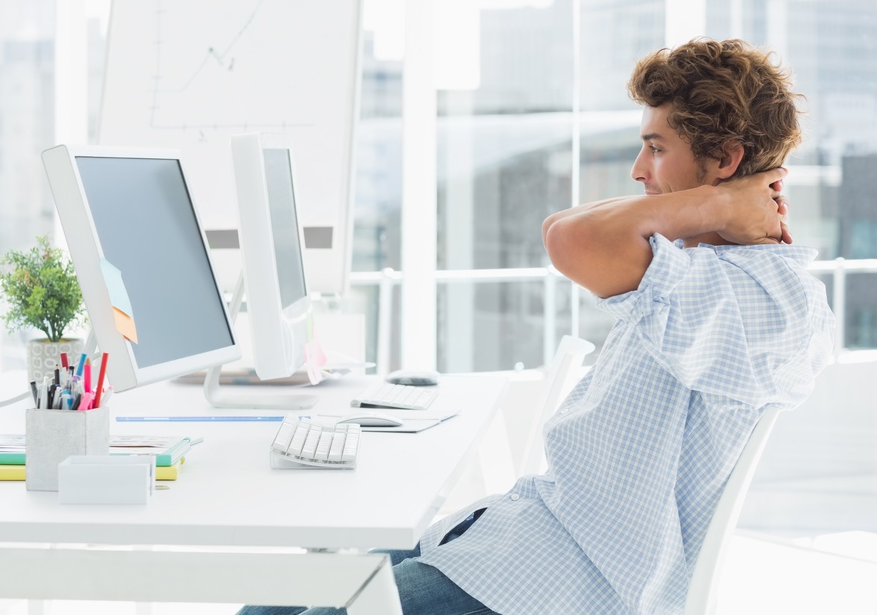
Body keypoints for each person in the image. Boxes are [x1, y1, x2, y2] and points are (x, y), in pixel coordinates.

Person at [237, 38, 836, 615]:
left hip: (573, 579)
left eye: (655, 148)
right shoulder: (701, 270)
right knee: (275, 598)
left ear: (726, 159)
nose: (638, 170)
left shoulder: (754, 298)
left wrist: (716, 204)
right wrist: (719, 204)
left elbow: (570, 238)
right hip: (533, 535)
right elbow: (563, 225)